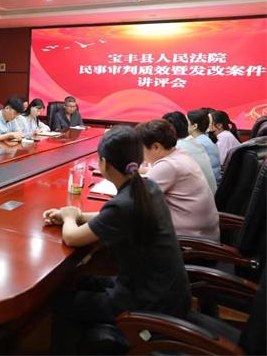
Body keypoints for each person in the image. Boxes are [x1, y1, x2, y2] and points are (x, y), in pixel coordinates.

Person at [43, 126, 190, 355]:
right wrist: (77, 216)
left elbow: (71, 238)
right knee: (83, 280)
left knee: (62, 303)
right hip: (165, 292)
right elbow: (111, 217)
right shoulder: (147, 187)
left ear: (104, 163)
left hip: (147, 303)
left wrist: (69, 216)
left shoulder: (124, 204)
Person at [136, 119, 219, 241]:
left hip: (188, 243)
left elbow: (135, 199)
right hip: (203, 236)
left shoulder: (168, 166)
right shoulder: (180, 153)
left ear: (156, 147)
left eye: (140, 148)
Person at [163, 111, 217, 194]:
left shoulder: (178, 148)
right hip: (210, 195)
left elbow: (160, 174)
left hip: (199, 197)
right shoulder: (194, 142)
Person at [186, 108, 221, 184]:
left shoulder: (198, 143)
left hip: (209, 184)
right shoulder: (204, 139)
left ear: (194, 126)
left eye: (186, 122)